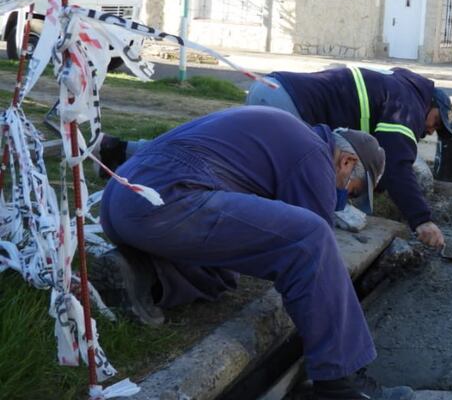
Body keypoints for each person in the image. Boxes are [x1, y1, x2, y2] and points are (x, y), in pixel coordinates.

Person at [93, 106, 412, 399]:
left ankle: (142, 277)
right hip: (167, 201)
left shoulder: (291, 133)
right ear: (347, 162)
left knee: (225, 272)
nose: (342, 194)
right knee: (311, 238)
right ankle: (340, 383)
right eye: (351, 190)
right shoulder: (315, 155)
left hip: (124, 200)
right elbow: (317, 256)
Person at [100, 66, 452, 249]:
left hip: (274, 89)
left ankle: (122, 152)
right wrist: (422, 220)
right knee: (269, 187)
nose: (429, 132)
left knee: (224, 154)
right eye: (436, 124)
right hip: (291, 106)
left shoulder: (398, 86)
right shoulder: (409, 106)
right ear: (432, 106)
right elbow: (397, 167)